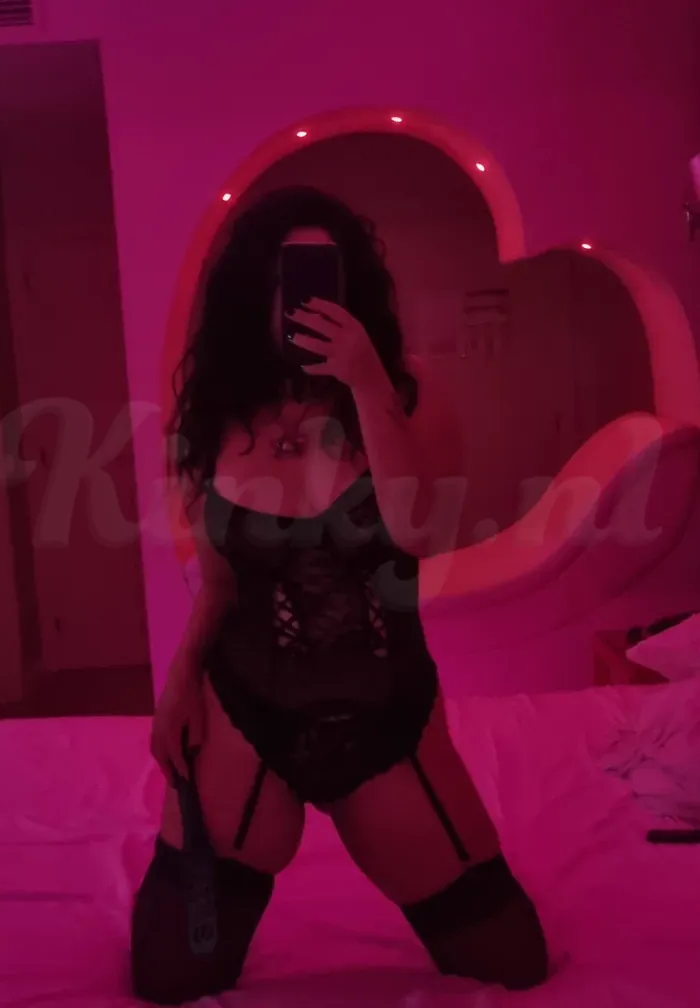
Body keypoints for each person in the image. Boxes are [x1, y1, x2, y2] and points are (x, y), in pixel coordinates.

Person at [130, 186, 548, 1004]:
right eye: (284, 279)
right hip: (244, 710)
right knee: (168, 972)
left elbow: (415, 531)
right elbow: (219, 580)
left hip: (385, 716)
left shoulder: (407, 395)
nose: (302, 300)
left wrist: (364, 383)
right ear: (253, 291)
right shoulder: (214, 418)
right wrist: (178, 682)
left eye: (323, 277)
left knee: (512, 958)